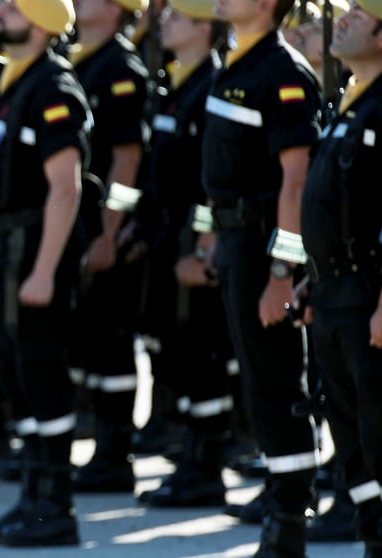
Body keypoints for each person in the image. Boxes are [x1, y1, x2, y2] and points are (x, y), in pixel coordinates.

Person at [0, 0, 90, 547]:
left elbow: (66, 187)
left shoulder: (53, 86)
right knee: (20, 375)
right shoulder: (15, 79)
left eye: (16, 7)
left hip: (32, 252)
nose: (1, 12)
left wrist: (43, 272)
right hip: (5, 249)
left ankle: (55, 506)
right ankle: (33, 498)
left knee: (41, 373)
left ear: (42, 21)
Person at [202, 0, 322, 553]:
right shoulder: (235, 64)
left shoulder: (281, 72)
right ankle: (279, 499)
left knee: (276, 383)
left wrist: (282, 272)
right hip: (234, 242)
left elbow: (294, 184)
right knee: (257, 380)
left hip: (262, 246)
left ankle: (290, 518)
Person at [129, 0, 233, 508]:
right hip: (168, 244)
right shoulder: (178, 82)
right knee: (177, 352)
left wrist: (206, 249)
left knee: (202, 358)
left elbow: (214, 181)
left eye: (176, 16)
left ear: (204, 28)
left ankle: (205, 466)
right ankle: (190, 459)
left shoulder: (212, 85)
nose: (163, 20)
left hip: (195, 248)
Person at [301, 1, 382, 555]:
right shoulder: (347, 101)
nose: (345, 19)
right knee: (352, 440)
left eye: (362, 12)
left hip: (368, 297)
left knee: (379, 438)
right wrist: (309, 277)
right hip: (332, 293)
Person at [70, 0, 150, 494]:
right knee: (93, 342)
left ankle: (115, 453)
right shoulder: (83, 58)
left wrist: (109, 229)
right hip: (82, 228)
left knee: (113, 345)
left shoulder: (121, 68)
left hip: (107, 233)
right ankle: (102, 446)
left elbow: (127, 159)